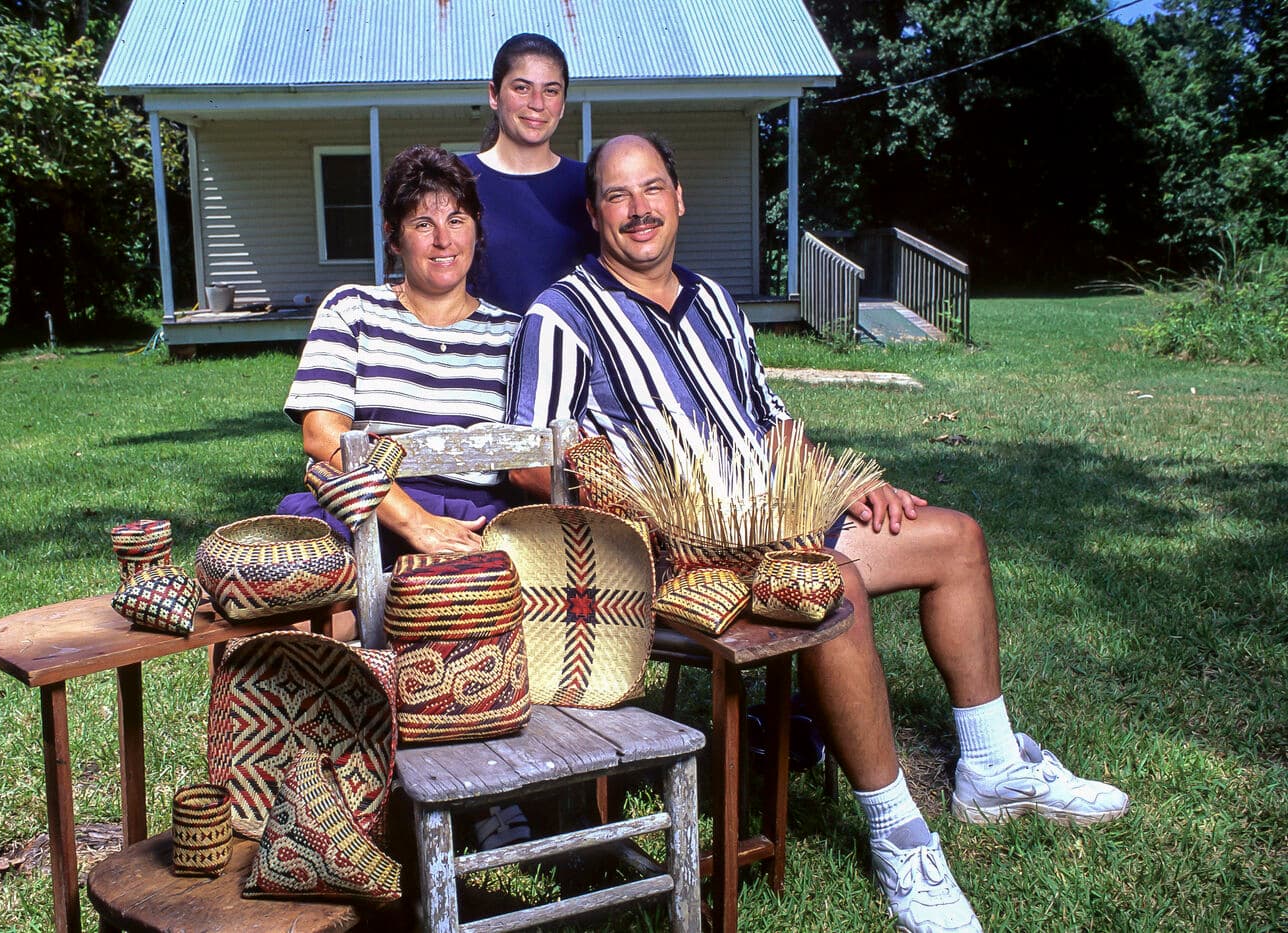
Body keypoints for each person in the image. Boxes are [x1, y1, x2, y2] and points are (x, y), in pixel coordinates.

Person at [505, 134, 1130, 933]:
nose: (639, 209)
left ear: (679, 197)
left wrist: (845, 479)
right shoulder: (561, 314)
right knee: (835, 584)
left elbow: (770, 427)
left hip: (776, 520)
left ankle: (993, 765)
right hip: (672, 554)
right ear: (594, 212)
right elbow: (532, 459)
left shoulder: (716, 303)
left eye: (652, 188)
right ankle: (898, 830)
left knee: (955, 538)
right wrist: (628, 494)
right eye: (619, 196)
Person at [278, 145, 522, 563]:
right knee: (327, 610)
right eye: (423, 224)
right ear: (394, 237)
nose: (443, 239)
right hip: (366, 508)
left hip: (477, 522)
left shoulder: (514, 334)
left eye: (456, 220)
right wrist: (416, 523)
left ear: (476, 229)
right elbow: (321, 436)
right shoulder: (351, 310)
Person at [460, 33, 597, 314]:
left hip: (569, 353)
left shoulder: (589, 185)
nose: (537, 103)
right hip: (476, 354)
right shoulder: (457, 180)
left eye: (551, 91)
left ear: (563, 103)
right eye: (522, 88)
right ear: (494, 95)